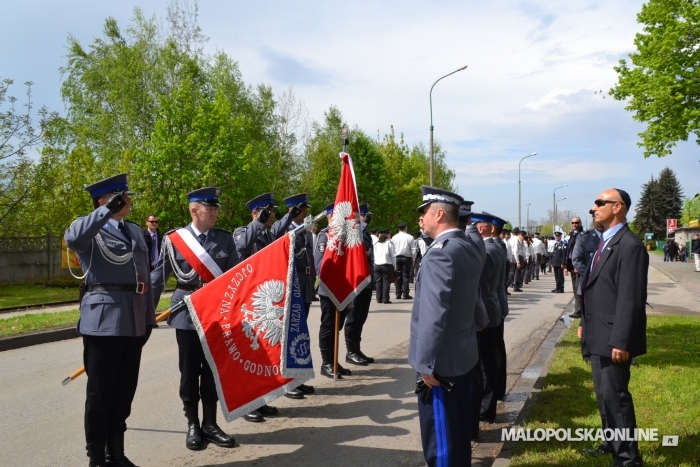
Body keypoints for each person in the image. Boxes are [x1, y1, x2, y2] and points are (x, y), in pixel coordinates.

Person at [65, 173, 156, 467]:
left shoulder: (133, 231)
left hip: (133, 320)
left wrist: (149, 318)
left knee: (123, 392)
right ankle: (97, 458)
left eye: (126, 196)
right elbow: (73, 238)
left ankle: (116, 454)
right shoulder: (90, 230)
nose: (128, 201)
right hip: (103, 323)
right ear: (106, 200)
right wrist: (104, 211)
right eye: (122, 197)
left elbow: (145, 279)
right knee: (100, 395)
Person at [151, 187, 239, 450]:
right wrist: (145, 312)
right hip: (185, 313)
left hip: (215, 314)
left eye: (215, 209)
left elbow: (235, 277)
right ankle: (192, 424)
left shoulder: (225, 239)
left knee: (212, 370)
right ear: (194, 210)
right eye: (209, 208)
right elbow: (158, 277)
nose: (214, 213)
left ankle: (210, 424)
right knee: (189, 372)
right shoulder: (175, 239)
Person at [408, 186, 482, 466]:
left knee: (441, 444)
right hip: (461, 357)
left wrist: (426, 364)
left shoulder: (440, 253)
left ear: (439, 213)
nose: (421, 219)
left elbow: (433, 314)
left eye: (424, 212)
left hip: (441, 365)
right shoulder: (467, 246)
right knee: (458, 434)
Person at [578, 188, 647, 466]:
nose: (594, 208)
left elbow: (630, 298)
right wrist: (585, 323)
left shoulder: (630, 245)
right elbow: (597, 289)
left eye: (600, 203)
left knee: (615, 396)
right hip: (598, 331)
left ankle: (628, 459)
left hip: (613, 336)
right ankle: (611, 442)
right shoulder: (605, 241)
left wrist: (621, 340)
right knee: (604, 394)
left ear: (618, 207)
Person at [233, 192, 287, 422]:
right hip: (248, 303)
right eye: (267, 211)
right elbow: (242, 248)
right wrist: (257, 222)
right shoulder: (242, 232)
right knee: (247, 355)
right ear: (255, 213)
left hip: (262, 301)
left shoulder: (266, 234)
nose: (272, 215)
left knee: (262, 356)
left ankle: (261, 399)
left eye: (273, 211)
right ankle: (246, 404)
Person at [270, 193, 316, 399]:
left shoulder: (303, 230)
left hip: (305, 284)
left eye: (304, 209)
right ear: (293, 210)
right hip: (292, 285)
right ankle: (287, 383)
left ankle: (297, 378)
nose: (305, 212)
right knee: (289, 335)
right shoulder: (283, 231)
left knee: (300, 335)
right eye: (302, 209)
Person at [314, 203, 353, 378]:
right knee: (328, 325)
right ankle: (326, 363)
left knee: (337, 326)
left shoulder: (346, 237)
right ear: (330, 216)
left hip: (342, 289)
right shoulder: (324, 236)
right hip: (329, 289)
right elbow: (320, 264)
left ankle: (334, 359)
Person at [471, 213, 503, 424]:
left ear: (481, 228)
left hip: (488, 314)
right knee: (493, 358)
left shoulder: (488, 250)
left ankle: (486, 409)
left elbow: (481, 288)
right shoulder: (497, 247)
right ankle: (492, 399)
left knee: (486, 365)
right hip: (495, 308)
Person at [345, 203, 375, 366]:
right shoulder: (354, 232)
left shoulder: (366, 233)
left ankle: (356, 348)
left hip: (366, 280)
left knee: (361, 317)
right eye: (363, 215)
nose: (366, 219)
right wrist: (361, 226)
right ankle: (350, 351)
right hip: (356, 281)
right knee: (353, 317)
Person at [392, 221, 416, 300]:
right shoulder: (410, 237)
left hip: (397, 258)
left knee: (398, 276)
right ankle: (405, 294)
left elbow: (392, 249)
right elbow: (413, 249)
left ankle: (398, 293)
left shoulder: (394, 237)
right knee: (406, 276)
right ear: (405, 228)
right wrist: (413, 258)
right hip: (406, 258)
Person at [567, 217, 585, 314]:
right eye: (573, 223)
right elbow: (569, 251)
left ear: (580, 223)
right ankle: (577, 309)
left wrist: (578, 266)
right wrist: (566, 266)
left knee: (578, 287)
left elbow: (581, 252)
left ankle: (578, 310)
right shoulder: (571, 234)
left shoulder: (582, 235)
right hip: (571, 265)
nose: (575, 224)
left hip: (577, 265)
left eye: (576, 222)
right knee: (575, 287)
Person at [373, 228, 396, 304]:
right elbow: (393, 256)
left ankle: (379, 298)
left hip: (377, 265)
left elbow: (374, 254)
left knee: (378, 282)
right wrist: (394, 266)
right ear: (386, 235)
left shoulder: (376, 244)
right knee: (386, 282)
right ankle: (385, 299)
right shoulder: (389, 243)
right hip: (387, 264)